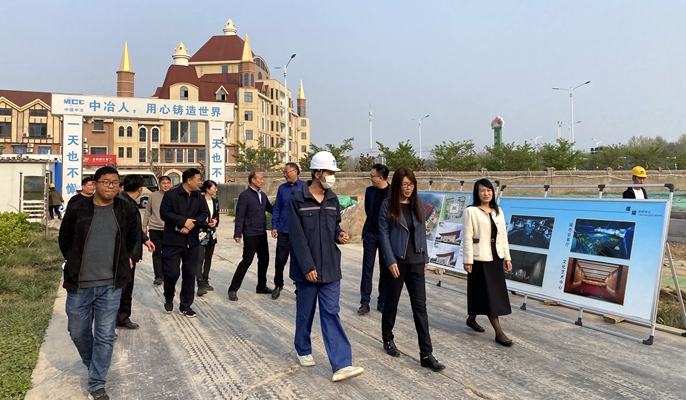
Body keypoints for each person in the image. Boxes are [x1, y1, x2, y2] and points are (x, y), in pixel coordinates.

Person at [58, 166, 139, 400]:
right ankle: (93, 364)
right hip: (79, 283)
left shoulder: (125, 209)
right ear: (95, 184)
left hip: (110, 285)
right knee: (77, 332)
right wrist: (73, 261)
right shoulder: (78, 208)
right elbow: (65, 240)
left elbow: (131, 239)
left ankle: (96, 384)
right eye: (106, 182)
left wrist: (123, 260)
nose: (111, 186)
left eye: (115, 182)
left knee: (104, 336)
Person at [288, 151, 365, 382]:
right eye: (329, 173)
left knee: (331, 313)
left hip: (330, 266)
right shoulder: (297, 199)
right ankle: (303, 348)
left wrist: (339, 234)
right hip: (307, 270)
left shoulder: (332, 199)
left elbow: (333, 226)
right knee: (305, 313)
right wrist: (307, 267)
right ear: (317, 173)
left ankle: (342, 364)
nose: (332, 177)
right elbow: (297, 237)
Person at [378, 167, 445, 372]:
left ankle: (426, 354)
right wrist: (390, 260)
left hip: (416, 262)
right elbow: (383, 234)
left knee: (420, 308)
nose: (409, 188)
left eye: (412, 184)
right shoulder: (388, 205)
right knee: (391, 303)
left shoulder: (418, 204)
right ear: (398, 185)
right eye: (405, 184)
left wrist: (425, 257)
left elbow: (422, 233)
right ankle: (387, 338)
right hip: (397, 262)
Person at [462, 178, 514, 347]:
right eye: (483, 191)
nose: (486, 193)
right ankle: (499, 333)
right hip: (479, 258)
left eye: (489, 190)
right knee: (489, 294)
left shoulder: (498, 211)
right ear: (477, 193)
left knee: (485, 292)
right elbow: (467, 237)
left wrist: (507, 257)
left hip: (495, 257)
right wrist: (468, 260)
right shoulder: (471, 211)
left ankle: (471, 318)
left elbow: (503, 236)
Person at [160, 168, 208, 317]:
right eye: (198, 180)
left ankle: (186, 306)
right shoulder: (171, 195)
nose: (200, 183)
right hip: (173, 241)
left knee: (189, 275)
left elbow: (204, 214)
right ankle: (169, 296)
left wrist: (191, 225)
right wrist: (183, 221)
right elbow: (164, 213)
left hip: (191, 241)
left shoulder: (199, 197)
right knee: (172, 274)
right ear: (189, 180)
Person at [116, 175, 155, 330]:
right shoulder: (123, 204)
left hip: (129, 254)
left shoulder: (128, 202)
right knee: (121, 289)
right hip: (125, 255)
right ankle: (116, 320)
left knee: (127, 287)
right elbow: (122, 234)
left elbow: (135, 228)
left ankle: (122, 317)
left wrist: (145, 240)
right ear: (140, 189)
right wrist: (127, 256)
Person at [228, 170, 273, 301]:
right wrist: (238, 233)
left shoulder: (262, 195)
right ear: (253, 180)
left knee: (264, 260)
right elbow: (240, 215)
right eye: (261, 179)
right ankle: (233, 289)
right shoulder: (245, 195)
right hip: (250, 234)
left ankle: (261, 286)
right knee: (246, 261)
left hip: (262, 233)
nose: (262, 181)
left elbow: (271, 209)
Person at [358, 163, 391, 314]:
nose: (370, 178)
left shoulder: (393, 192)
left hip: (386, 236)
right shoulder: (369, 191)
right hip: (370, 234)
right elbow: (368, 210)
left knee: (385, 269)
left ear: (381, 177)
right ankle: (364, 302)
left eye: (372, 176)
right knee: (367, 269)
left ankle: (382, 301)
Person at [270, 162, 305, 300]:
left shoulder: (305, 187)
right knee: (280, 260)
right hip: (284, 230)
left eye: (287, 172)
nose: (285, 175)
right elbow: (277, 208)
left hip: (300, 232)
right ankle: (278, 284)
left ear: (295, 171)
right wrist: (274, 225)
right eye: (284, 172)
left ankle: (299, 287)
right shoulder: (282, 188)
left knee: (299, 261)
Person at [143, 176, 173, 285]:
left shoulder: (174, 196)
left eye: (168, 183)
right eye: (163, 183)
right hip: (155, 228)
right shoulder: (153, 196)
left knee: (168, 253)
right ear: (159, 184)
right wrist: (144, 226)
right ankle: (158, 276)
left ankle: (166, 273)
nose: (166, 185)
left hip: (169, 229)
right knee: (156, 252)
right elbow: (148, 211)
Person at [196, 180, 219, 297]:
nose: (216, 190)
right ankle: (199, 283)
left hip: (212, 233)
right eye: (214, 188)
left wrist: (215, 222)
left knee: (208, 258)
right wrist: (206, 224)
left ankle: (205, 280)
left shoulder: (215, 201)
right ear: (207, 189)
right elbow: (196, 217)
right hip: (201, 233)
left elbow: (217, 216)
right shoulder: (199, 200)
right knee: (200, 258)